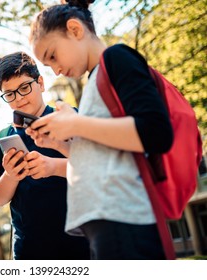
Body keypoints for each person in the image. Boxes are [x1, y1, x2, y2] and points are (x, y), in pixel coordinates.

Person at [27, 0, 174, 259]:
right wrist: (59, 145)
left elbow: (156, 131)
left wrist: (76, 123)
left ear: (74, 30)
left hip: (125, 220)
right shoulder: (95, 80)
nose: (56, 70)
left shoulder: (117, 57)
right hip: (104, 225)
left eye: (52, 56)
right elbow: (104, 154)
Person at [0, 51, 90, 260]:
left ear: (41, 83)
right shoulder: (3, 137)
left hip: (80, 242)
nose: (19, 98)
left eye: (25, 87)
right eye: (10, 94)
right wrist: (10, 176)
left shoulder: (68, 117)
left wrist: (53, 165)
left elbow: (94, 169)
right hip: (29, 249)